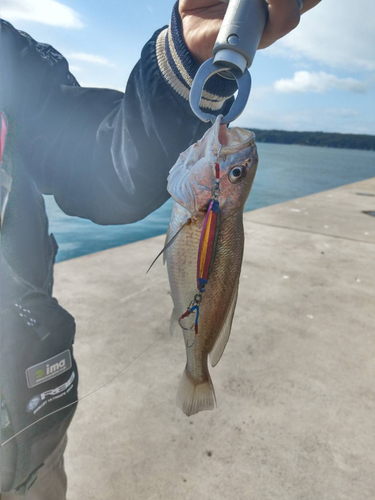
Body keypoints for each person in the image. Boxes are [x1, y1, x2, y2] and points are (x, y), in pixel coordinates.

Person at [0, 0, 320, 497]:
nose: (231, 167)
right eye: (235, 172)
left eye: (237, 174)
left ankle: (198, 369)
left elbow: (104, 162)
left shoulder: (10, 60)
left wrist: (189, 58)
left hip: (24, 429)